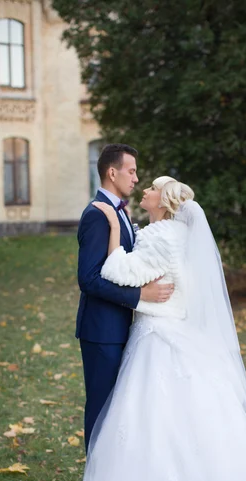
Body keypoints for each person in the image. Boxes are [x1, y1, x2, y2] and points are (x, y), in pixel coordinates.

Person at [76, 176, 246, 481]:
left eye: (152, 189)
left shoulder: (159, 235)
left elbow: (114, 271)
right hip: (177, 330)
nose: (145, 191)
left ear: (164, 201)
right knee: (190, 418)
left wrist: (111, 231)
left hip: (156, 334)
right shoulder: (180, 235)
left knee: (153, 419)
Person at [76, 144, 174, 453]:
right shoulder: (97, 215)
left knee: (118, 411)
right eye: (131, 171)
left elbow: (126, 264)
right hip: (101, 330)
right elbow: (88, 279)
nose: (135, 178)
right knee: (102, 408)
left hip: (121, 328)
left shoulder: (119, 213)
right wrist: (140, 295)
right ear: (112, 172)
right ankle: (95, 480)